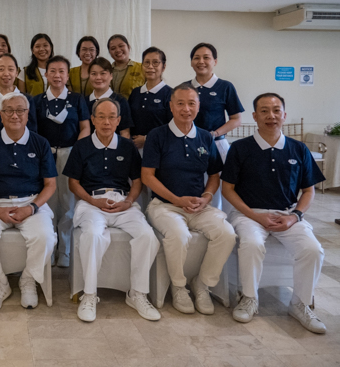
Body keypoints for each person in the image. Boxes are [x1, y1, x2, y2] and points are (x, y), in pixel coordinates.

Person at [222, 93, 326, 333]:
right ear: (255, 116)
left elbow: (308, 191)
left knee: (313, 249)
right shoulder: (240, 149)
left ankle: (300, 304)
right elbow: (227, 189)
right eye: (265, 111)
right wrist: (254, 215)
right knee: (251, 244)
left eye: (276, 110)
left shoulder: (298, 149)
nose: (271, 116)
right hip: (249, 214)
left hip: (288, 215)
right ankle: (249, 298)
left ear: (284, 115)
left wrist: (295, 216)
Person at [142, 83, 236, 315]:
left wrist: (206, 198)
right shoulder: (157, 135)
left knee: (227, 234)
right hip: (164, 206)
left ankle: (203, 285)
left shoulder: (205, 137)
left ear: (198, 106)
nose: (186, 109)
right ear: (171, 106)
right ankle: (179, 287)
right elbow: (147, 176)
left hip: (198, 206)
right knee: (178, 235)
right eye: (180, 103)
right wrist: (177, 200)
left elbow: (214, 175)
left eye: (191, 103)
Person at [64, 98, 160, 322]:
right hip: (92, 202)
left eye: (111, 117)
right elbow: (73, 183)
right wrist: (92, 201)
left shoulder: (127, 147)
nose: (106, 122)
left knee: (148, 236)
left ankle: (137, 293)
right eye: (101, 117)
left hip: (122, 202)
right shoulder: (82, 146)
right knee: (93, 235)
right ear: (93, 119)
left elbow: (137, 180)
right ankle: (89, 294)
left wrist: (128, 201)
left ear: (118, 120)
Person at [0, 92, 57, 311]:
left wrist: (31, 207)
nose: (14, 115)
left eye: (20, 110)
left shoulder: (40, 143)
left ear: (27, 114)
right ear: (1, 115)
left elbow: (50, 184)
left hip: (31, 203)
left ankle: (28, 280)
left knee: (45, 236)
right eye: (9, 110)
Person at [32, 55, 90, 267]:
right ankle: (48, 247)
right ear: (46, 74)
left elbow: (85, 128)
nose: (57, 75)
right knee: (46, 202)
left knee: (68, 203)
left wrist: (77, 151)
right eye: (53, 71)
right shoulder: (36, 101)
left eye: (61, 71)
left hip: (70, 153)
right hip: (44, 155)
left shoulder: (77, 100)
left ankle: (64, 250)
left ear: (67, 75)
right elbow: (33, 131)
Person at [188, 42, 244, 162]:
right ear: (191, 62)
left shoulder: (225, 87)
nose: (201, 61)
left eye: (206, 57)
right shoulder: (184, 87)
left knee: (218, 179)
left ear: (215, 61)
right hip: (188, 143)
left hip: (217, 144)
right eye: (196, 58)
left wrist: (215, 133)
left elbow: (236, 119)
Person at [0, 54, 37, 141]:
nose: (6, 74)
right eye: (1, 69)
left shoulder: (27, 100)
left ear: (16, 73)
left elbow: (33, 131)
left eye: (11, 69)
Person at [129, 47, 172, 153]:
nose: (150, 67)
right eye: (146, 63)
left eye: (156, 63)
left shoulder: (170, 94)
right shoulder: (135, 93)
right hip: (135, 149)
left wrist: (146, 139)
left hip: (159, 149)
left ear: (163, 67)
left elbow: (172, 126)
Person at [85, 57, 133, 138]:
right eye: (93, 74)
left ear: (111, 76)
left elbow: (125, 133)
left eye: (103, 73)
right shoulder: (84, 101)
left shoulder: (120, 101)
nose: (98, 77)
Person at [107, 34, 144, 99]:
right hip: (110, 108)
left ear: (128, 47)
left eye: (121, 46)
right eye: (113, 48)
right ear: (109, 52)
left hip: (135, 108)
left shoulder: (142, 68)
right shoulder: (106, 70)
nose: (118, 50)